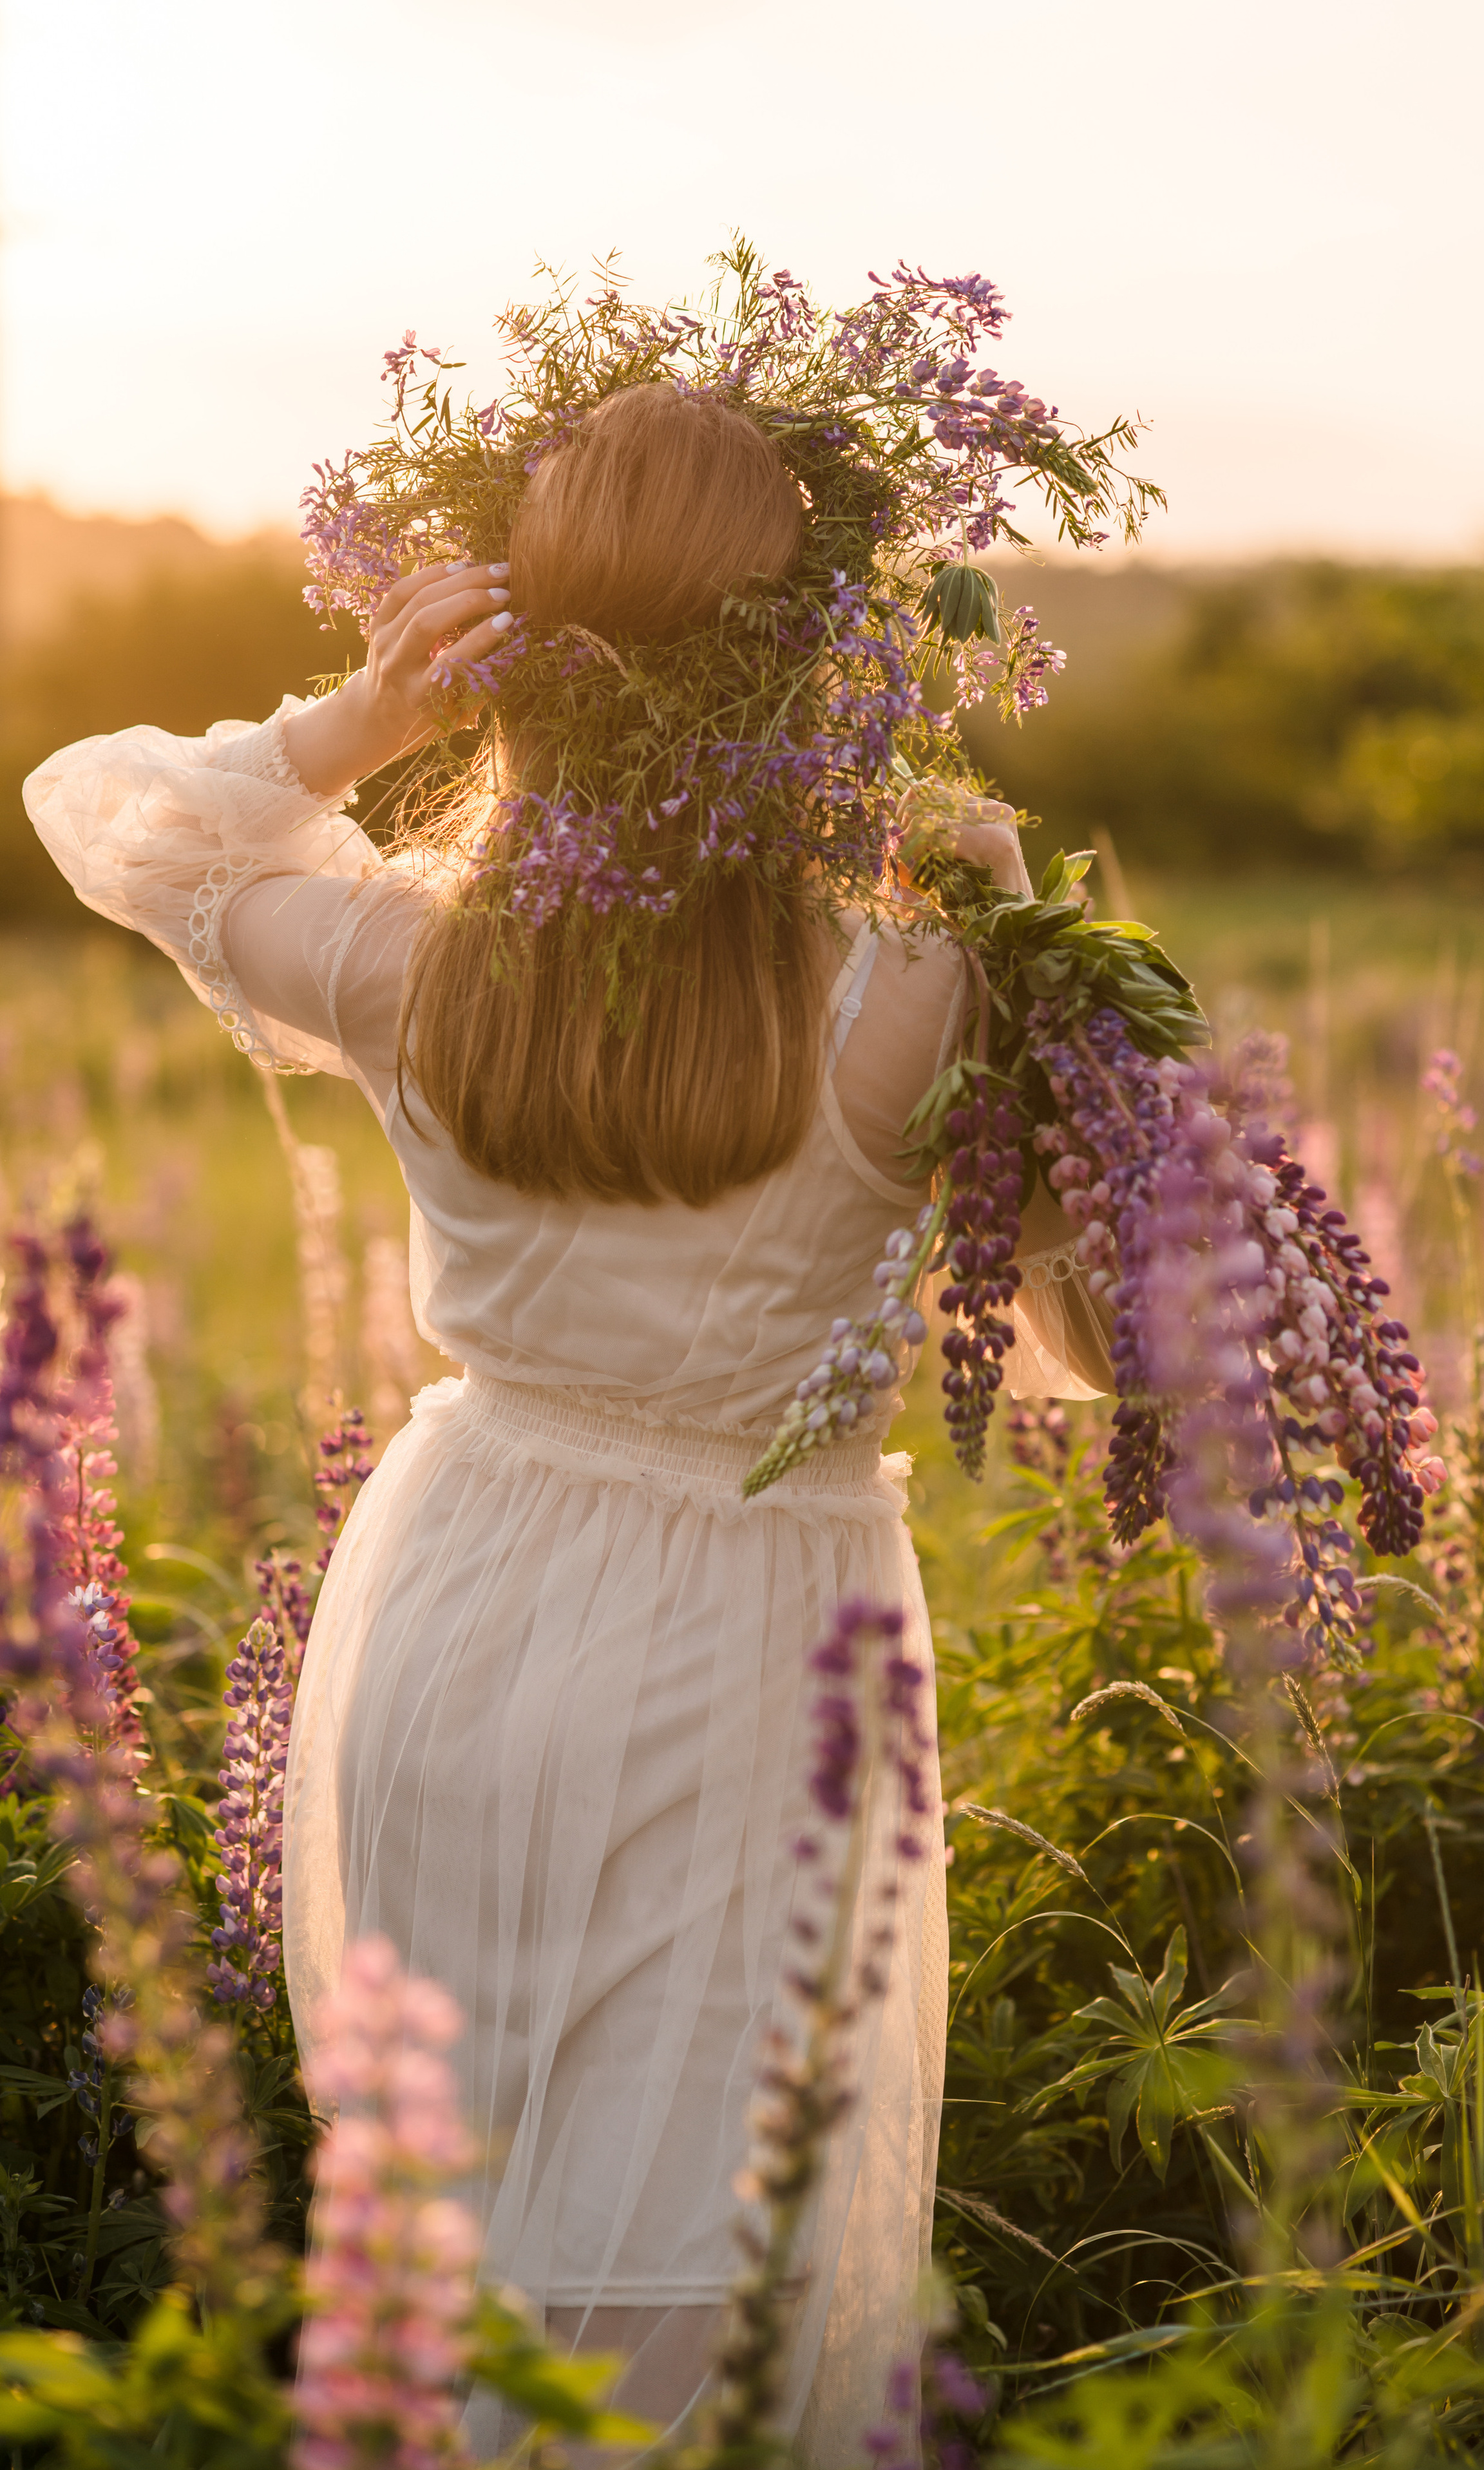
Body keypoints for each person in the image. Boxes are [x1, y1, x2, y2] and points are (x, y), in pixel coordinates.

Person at [25, 383, 1105, 2460]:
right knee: (670, 2314)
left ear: (532, 650)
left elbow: (102, 805)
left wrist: (358, 724)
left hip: (458, 1592)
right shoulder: (915, 994)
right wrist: (1031, 947)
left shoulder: (419, 963)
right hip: (747, 1657)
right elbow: (1106, 1345)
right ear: (827, 659)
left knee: (463, 2278)